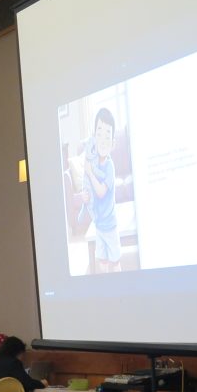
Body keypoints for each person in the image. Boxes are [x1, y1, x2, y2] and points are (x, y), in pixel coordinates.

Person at [81, 108, 121, 273]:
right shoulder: (94, 163)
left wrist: (90, 173)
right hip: (98, 225)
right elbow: (92, 194)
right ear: (94, 138)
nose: (103, 141)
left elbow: (101, 192)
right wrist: (85, 197)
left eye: (107, 136)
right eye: (99, 134)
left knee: (115, 261)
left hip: (110, 225)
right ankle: (106, 284)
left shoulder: (109, 166)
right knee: (101, 260)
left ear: (113, 143)